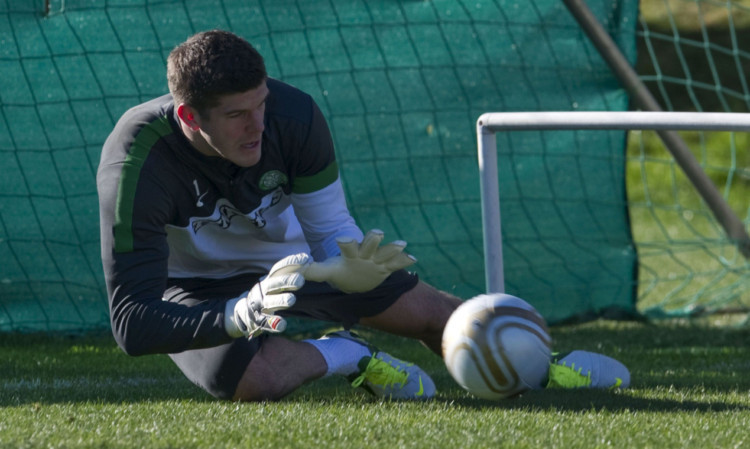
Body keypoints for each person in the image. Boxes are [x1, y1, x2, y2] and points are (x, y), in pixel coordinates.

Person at [97, 29, 629, 402]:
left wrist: (347, 265)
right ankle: (346, 355)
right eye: (237, 115)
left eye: (259, 104)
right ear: (189, 116)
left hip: (300, 266)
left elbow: (330, 232)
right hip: (197, 289)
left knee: (443, 321)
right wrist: (237, 314)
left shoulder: (293, 114)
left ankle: (548, 369)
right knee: (252, 383)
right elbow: (131, 321)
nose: (257, 125)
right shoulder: (136, 159)